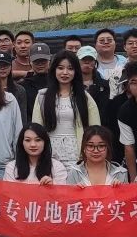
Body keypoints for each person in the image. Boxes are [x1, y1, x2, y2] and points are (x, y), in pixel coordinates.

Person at [0, 123, 68, 237]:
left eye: (38, 140)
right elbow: (10, 201)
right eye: (28, 140)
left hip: (46, 219)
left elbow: (63, 201)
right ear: (21, 143)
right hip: (19, 220)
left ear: (45, 142)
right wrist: (20, 232)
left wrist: (52, 188)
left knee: (47, 221)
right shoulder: (12, 167)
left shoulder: (57, 166)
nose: (33, 144)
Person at [71, 125, 129, 237]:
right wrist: (74, 193)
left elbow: (127, 206)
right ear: (84, 148)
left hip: (113, 224)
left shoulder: (121, 173)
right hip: (85, 225)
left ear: (108, 148)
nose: (95, 150)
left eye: (101, 146)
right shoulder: (74, 172)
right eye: (90, 146)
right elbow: (66, 205)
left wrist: (120, 192)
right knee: (89, 220)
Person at [33, 50, 99, 178]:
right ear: (54, 70)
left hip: (77, 154)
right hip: (49, 154)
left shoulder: (85, 97)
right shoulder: (42, 96)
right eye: (60, 68)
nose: (65, 72)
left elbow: (95, 129)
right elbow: (37, 129)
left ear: (76, 71)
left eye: (70, 68)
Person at [77, 46, 113, 128]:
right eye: (83, 59)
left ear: (95, 62)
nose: (87, 62)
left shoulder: (105, 85)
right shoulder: (71, 85)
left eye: (90, 59)